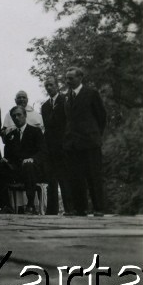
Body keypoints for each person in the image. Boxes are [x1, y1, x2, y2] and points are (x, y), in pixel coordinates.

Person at [63, 67, 107, 216]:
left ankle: (98, 208)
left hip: (90, 142)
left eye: (71, 78)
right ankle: (80, 208)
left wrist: (94, 135)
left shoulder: (91, 94)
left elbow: (101, 117)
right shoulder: (67, 97)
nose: (68, 81)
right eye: (67, 78)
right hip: (73, 144)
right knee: (76, 177)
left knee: (93, 176)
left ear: (80, 78)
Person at [0, 106, 47, 214]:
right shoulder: (11, 135)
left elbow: (43, 152)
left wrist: (32, 159)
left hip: (33, 169)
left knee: (28, 166)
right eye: (14, 116)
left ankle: (30, 205)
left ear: (25, 115)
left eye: (19, 115)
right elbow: (8, 155)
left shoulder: (35, 131)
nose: (16, 118)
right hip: (16, 170)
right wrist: (5, 160)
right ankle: (5, 205)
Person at [40, 76, 73, 215]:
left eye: (51, 85)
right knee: (51, 180)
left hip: (64, 146)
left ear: (57, 85)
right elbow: (47, 126)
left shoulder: (65, 100)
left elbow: (69, 122)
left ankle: (70, 209)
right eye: (46, 85)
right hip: (50, 148)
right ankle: (51, 210)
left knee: (65, 179)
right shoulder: (45, 106)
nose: (49, 88)